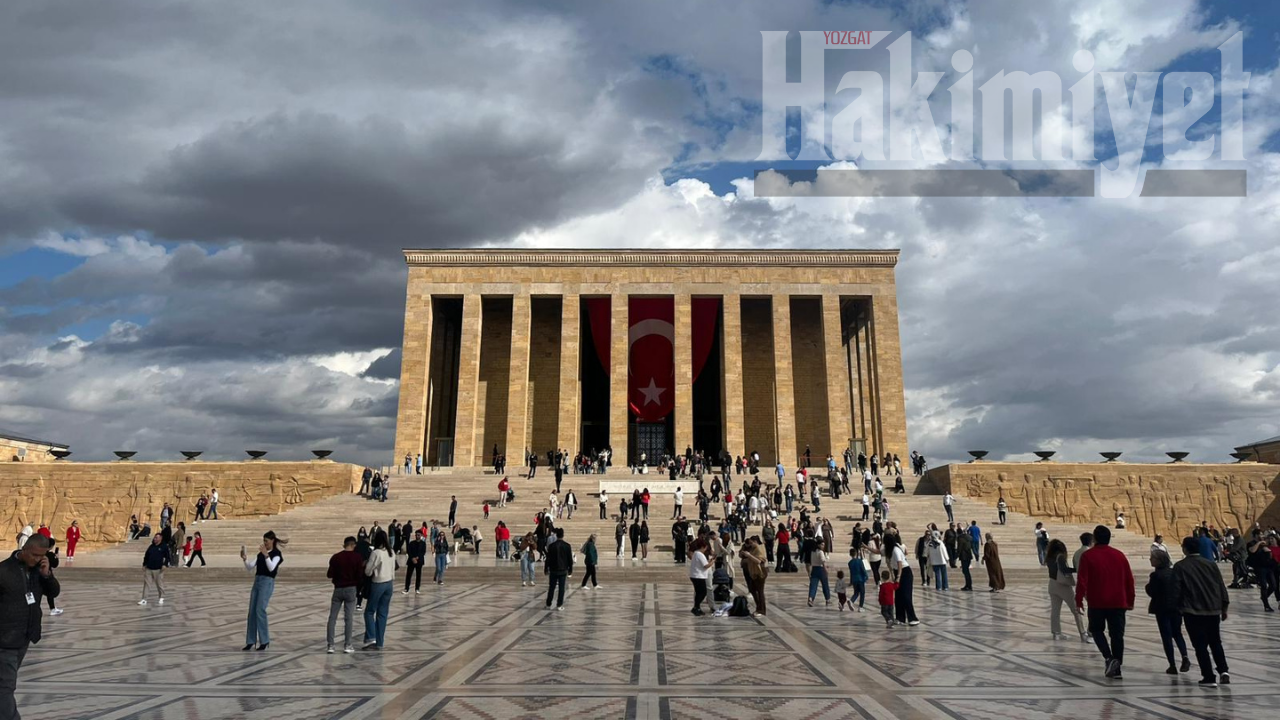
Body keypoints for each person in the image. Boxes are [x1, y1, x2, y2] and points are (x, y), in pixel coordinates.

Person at [1, 535, 60, 720]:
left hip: (25, 636)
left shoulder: (38, 571)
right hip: (5, 639)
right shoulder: (4, 571)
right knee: (5, 687)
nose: (37, 559)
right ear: (24, 549)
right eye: (34, 555)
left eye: (41, 556)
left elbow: (54, 592)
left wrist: (47, 575)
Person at [1075, 525, 1135, 679]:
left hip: (1097, 601)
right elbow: (1129, 579)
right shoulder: (1119, 555)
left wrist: (1079, 600)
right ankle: (1117, 669)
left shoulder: (1088, 556)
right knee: (1117, 635)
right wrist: (1130, 600)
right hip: (1118, 601)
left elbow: (1082, 580)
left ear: (1095, 538)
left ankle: (1109, 657)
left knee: (1096, 630)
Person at [1173, 535, 1231, 687]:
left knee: (1200, 645)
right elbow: (1221, 585)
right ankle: (1224, 671)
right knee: (1216, 642)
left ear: (1185, 549)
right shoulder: (1210, 564)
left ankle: (1208, 676)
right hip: (1213, 609)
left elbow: (1176, 590)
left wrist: (1177, 609)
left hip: (1193, 611)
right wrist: (1224, 607)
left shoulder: (1180, 566)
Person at [1145, 548, 1191, 675]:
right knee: (1177, 633)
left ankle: (1172, 665)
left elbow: (1152, 591)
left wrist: (1147, 587)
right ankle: (1185, 656)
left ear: (1159, 560)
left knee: (1166, 636)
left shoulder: (1156, 575)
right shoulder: (1174, 572)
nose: (1150, 559)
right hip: (1176, 608)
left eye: (1153, 558)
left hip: (1162, 608)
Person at [241, 531, 285, 651]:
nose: (265, 543)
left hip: (267, 582)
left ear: (272, 541)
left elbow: (271, 568)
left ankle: (264, 641)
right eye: (264, 541)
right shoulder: (261, 554)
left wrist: (266, 555)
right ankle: (250, 641)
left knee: (260, 609)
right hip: (257, 581)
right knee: (252, 611)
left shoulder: (276, 554)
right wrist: (245, 559)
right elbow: (250, 567)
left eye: (266, 541)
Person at [326, 536, 363, 654]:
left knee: (332, 617)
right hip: (351, 589)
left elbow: (329, 574)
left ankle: (331, 645)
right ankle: (348, 644)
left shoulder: (336, 557)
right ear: (353, 545)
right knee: (349, 618)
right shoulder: (357, 557)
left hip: (338, 589)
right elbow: (360, 575)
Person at [1046, 539, 1087, 642]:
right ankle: (1083, 633)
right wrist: (1076, 569)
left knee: (1055, 610)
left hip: (1052, 584)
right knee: (1076, 610)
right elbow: (1064, 569)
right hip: (1063, 585)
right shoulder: (1060, 556)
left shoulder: (1049, 557)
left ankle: (1056, 633)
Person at [362, 530, 395, 650]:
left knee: (369, 612)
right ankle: (380, 642)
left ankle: (371, 637)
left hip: (378, 583)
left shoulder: (376, 553)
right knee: (382, 613)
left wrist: (366, 565)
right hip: (389, 583)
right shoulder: (391, 552)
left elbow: (368, 571)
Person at [886, 534, 918, 625]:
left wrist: (898, 577)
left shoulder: (895, 550)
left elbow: (899, 563)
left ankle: (913, 618)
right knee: (898, 596)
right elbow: (878, 551)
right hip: (898, 572)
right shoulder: (890, 550)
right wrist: (866, 547)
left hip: (905, 572)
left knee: (906, 596)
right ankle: (900, 618)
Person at [544, 527, 573, 610]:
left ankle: (548, 604)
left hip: (553, 569)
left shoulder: (551, 546)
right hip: (563, 569)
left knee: (551, 587)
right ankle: (559, 605)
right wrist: (570, 570)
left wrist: (546, 568)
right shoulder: (567, 546)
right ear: (563, 535)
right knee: (561, 588)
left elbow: (548, 558)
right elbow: (570, 559)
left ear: (556, 535)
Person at [739, 536, 768, 616]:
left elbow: (759, 561)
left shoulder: (759, 548)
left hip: (760, 572)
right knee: (752, 589)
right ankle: (758, 607)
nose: (751, 545)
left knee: (760, 591)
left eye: (752, 543)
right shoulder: (753, 548)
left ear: (755, 541)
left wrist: (749, 555)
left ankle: (761, 609)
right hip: (754, 572)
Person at [139, 533, 169, 605]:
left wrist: (165, 565)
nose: (155, 539)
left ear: (160, 538)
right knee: (146, 584)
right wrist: (144, 564)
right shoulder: (151, 546)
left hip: (158, 569)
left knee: (159, 584)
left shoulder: (164, 547)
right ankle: (144, 599)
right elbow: (146, 556)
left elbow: (167, 557)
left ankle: (161, 597)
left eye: (156, 538)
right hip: (149, 568)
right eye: (155, 537)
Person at [689, 538, 711, 615]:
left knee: (698, 592)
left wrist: (708, 562)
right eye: (705, 548)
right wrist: (712, 562)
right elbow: (706, 566)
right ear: (702, 547)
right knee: (703, 592)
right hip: (698, 576)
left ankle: (697, 608)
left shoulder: (695, 553)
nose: (705, 550)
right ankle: (696, 607)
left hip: (695, 575)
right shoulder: (700, 554)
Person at [403, 529, 426, 594]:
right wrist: (412, 558)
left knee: (418, 575)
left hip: (419, 561)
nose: (417, 536)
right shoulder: (411, 543)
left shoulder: (423, 543)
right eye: (416, 535)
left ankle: (417, 588)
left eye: (418, 535)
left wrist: (417, 557)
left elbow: (423, 552)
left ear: (421, 535)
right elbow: (409, 551)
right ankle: (406, 588)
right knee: (408, 575)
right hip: (411, 561)